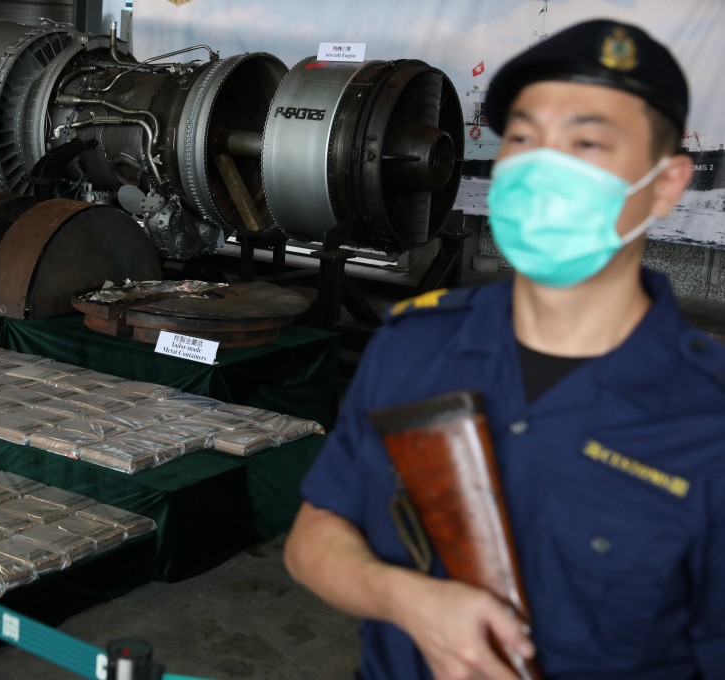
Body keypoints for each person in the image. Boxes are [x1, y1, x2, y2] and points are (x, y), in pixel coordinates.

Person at [284, 18, 725, 680]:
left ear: (665, 185)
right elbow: (314, 540)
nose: (544, 168)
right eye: (525, 138)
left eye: (587, 141)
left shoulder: (708, 422)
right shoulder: (412, 346)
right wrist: (409, 601)